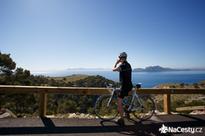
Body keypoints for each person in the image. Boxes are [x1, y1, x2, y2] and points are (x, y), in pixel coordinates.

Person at [112, 52, 133, 126]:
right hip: (129, 85)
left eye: (120, 58)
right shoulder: (128, 64)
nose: (119, 59)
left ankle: (122, 119)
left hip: (124, 86)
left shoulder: (122, 65)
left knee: (119, 103)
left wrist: (116, 62)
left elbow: (113, 69)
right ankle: (127, 112)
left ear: (121, 58)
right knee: (126, 99)